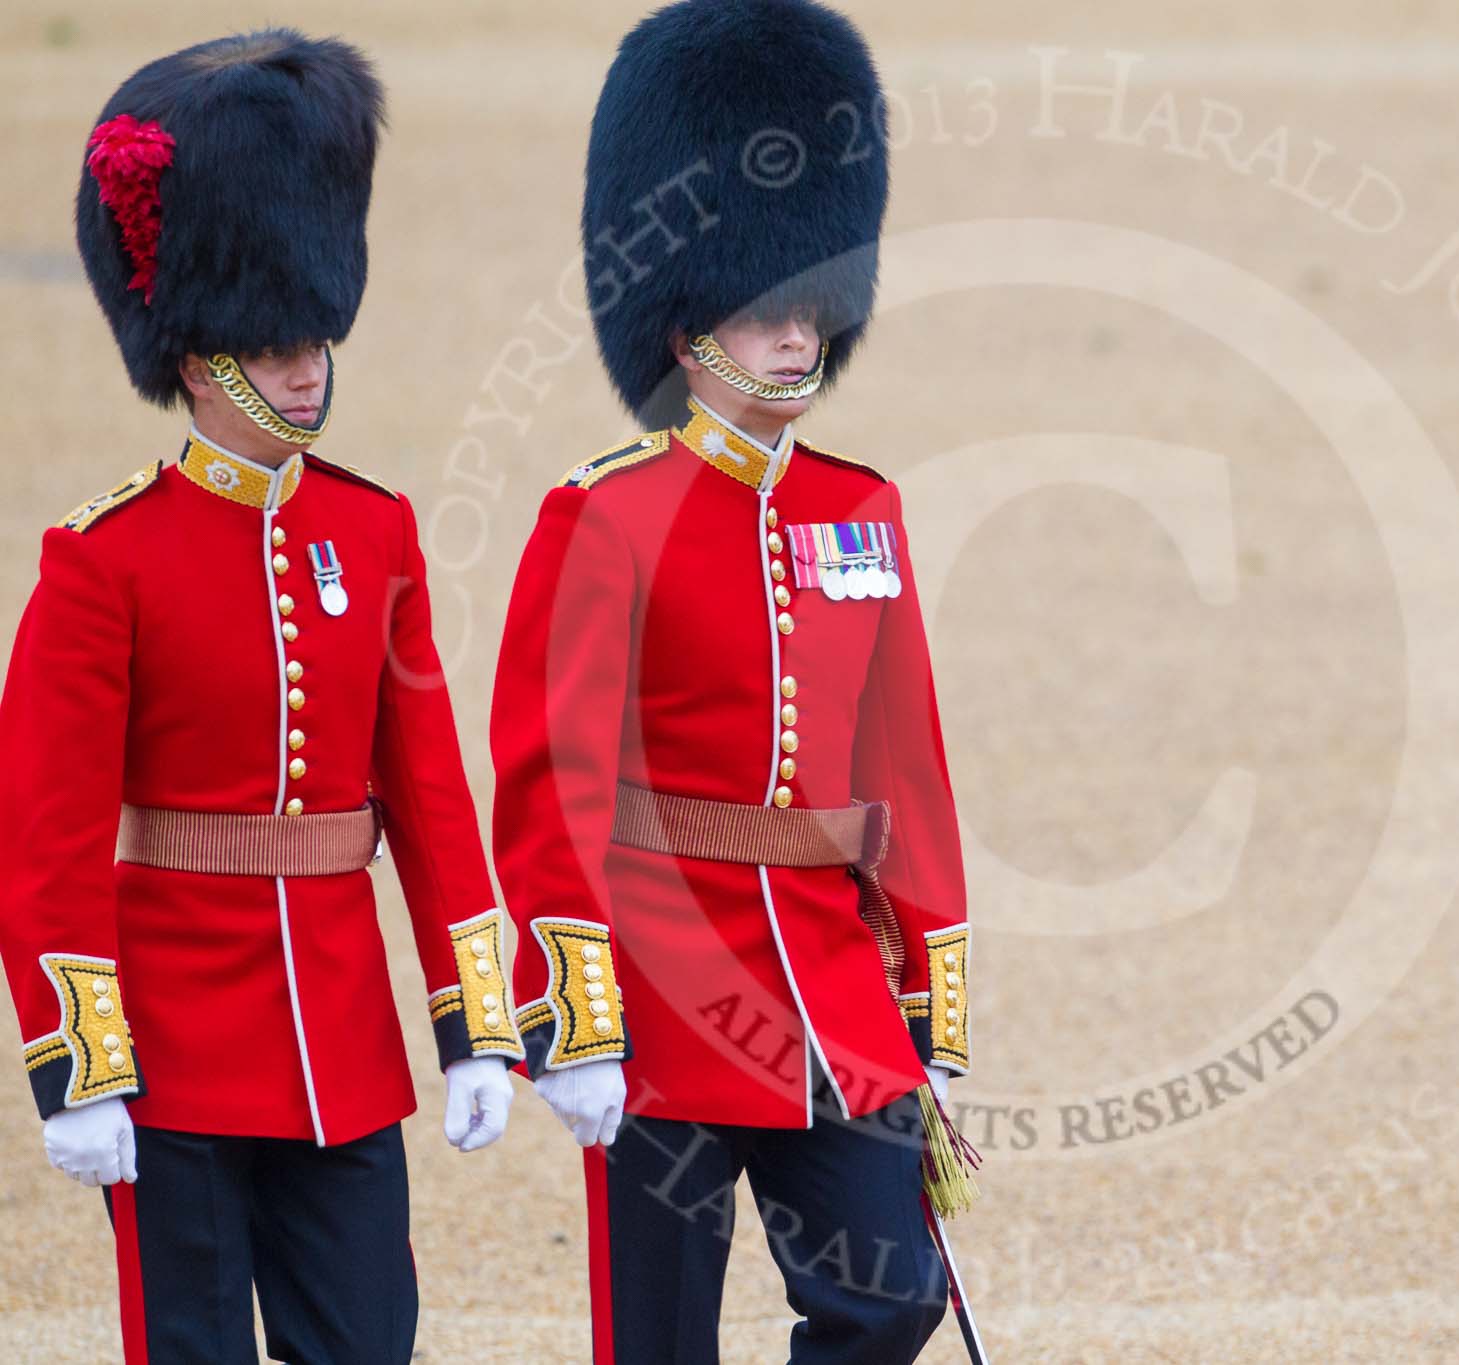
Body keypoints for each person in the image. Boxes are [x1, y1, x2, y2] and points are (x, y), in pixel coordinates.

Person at [0, 30, 515, 1362]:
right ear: (197, 355)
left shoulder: (375, 533)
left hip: (340, 1047)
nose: (305, 368)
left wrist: (475, 1024)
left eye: (311, 339)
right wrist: (78, 1063)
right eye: (272, 344)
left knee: (368, 1342)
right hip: (171, 1063)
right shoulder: (103, 560)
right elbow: (47, 839)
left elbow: (431, 800)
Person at [490, 2, 982, 1360]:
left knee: (890, 1297)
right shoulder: (604, 515)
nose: (796, 336)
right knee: (659, 1340)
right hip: (657, 987)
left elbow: (906, 774)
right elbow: (549, 779)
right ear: (689, 321)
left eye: (812, 303)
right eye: (765, 308)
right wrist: (573, 1011)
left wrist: (929, 1002)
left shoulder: (860, 507)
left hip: (834, 992)